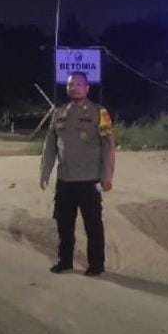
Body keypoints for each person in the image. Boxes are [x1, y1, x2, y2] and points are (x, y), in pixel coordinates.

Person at [39, 71, 116, 276]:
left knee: (93, 224)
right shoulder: (59, 113)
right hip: (65, 179)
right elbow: (50, 146)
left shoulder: (98, 112)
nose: (74, 88)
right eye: (71, 84)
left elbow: (108, 146)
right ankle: (64, 261)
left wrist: (107, 175)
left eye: (79, 84)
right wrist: (45, 172)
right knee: (64, 224)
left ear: (87, 88)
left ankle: (96, 264)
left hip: (89, 179)